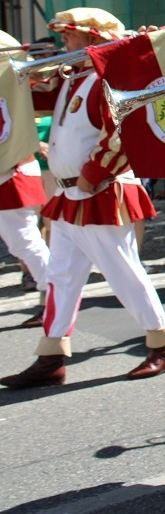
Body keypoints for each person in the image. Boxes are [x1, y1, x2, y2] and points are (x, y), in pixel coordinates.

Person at [1, 7, 165, 389]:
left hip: (99, 190)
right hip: (72, 193)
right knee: (62, 277)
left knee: (122, 272)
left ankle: (162, 343)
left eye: (70, 35)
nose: (63, 42)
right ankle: (51, 355)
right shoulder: (74, 76)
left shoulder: (105, 78)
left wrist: (92, 175)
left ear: (94, 39)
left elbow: (122, 135)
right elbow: (27, 97)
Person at [0, 29, 51, 325]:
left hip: (13, 167)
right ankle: (55, 296)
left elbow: (41, 82)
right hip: (11, 166)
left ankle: (55, 297)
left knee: (25, 241)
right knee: (22, 242)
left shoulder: (12, 75)